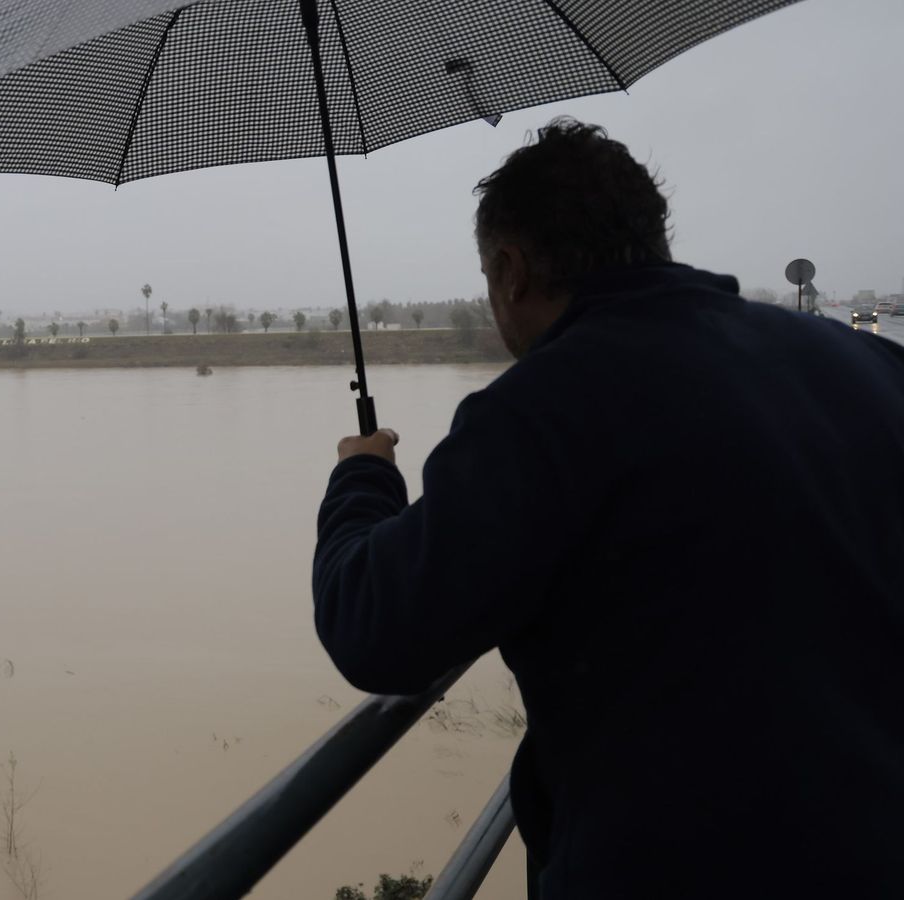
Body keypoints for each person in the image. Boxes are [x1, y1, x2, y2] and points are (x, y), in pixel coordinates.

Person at [312, 118, 904, 899]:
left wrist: (363, 476)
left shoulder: (543, 408)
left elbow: (374, 628)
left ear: (511, 271)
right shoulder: (868, 363)